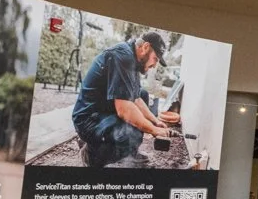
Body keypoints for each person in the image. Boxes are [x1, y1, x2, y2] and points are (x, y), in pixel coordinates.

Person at [72, 31, 179, 168]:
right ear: (145, 47)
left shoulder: (133, 59)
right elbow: (124, 110)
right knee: (130, 131)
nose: (154, 65)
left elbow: (136, 99)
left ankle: (128, 155)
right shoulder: (123, 57)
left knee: (143, 94)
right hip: (88, 119)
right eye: (155, 59)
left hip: (103, 111)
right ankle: (91, 154)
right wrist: (153, 130)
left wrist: (155, 121)